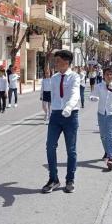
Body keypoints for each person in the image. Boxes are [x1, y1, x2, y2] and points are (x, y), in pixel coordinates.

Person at [42, 50, 80, 194]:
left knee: (71, 149)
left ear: (66, 62)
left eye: (57, 61)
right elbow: (52, 95)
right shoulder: (55, 78)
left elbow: (75, 93)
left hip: (71, 115)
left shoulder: (75, 77)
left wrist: (69, 107)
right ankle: (53, 179)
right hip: (56, 115)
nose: (55, 63)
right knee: (50, 146)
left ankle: (70, 179)